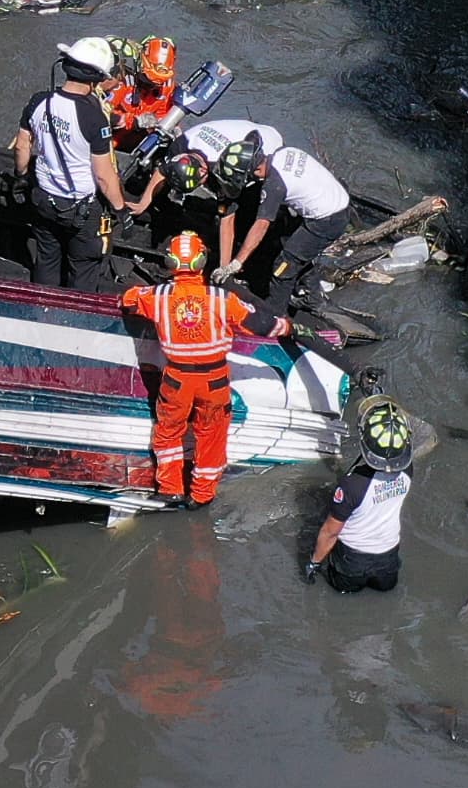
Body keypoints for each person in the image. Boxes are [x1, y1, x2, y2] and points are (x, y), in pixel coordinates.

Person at [120, 232, 281, 506]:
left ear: (170, 263)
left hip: (176, 380)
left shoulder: (159, 296)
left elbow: (129, 300)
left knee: (169, 431)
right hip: (214, 381)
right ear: (203, 261)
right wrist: (288, 327)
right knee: (212, 437)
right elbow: (261, 325)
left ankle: (170, 488)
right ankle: (202, 495)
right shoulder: (222, 299)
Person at [11, 38, 136, 291]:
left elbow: (22, 146)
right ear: (97, 77)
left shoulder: (39, 101)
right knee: (84, 268)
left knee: (46, 260)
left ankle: (42, 306)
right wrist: (120, 209)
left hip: (43, 199)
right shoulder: (94, 117)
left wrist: (21, 177)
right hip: (81, 209)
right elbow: (103, 175)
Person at [186, 119, 357, 298]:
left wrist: (235, 264)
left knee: (283, 269)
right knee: (289, 243)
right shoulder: (282, 153)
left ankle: (279, 317)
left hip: (327, 220)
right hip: (336, 202)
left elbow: (261, 226)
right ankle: (308, 288)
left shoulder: (274, 185)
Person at [305, 398, 424, 592]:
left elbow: (330, 532)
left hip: (352, 561)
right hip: (388, 557)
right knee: (385, 591)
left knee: (343, 593)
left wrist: (314, 562)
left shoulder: (352, 485)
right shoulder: (407, 470)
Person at [105, 36, 185, 148]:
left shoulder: (167, 85)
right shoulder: (122, 81)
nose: (153, 86)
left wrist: (174, 125)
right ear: (141, 66)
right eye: (150, 81)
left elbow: (163, 114)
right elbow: (101, 114)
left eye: (158, 83)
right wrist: (134, 122)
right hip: (111, 135)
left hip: (141, 138)